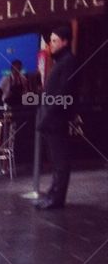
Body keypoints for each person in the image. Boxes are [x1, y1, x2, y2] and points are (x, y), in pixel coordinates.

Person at [35, 25, 78, 211]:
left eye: (54, 41)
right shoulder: (62, 61)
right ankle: (53, 193)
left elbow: (63, 92)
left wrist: (48, 116)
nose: (50, 44)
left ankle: (57, 198)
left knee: (60, 160)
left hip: (56, 119)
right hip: (52, 118)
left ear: (65, 42)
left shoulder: (68, 62)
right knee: (55, 160)